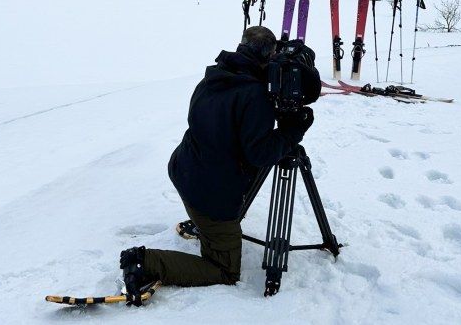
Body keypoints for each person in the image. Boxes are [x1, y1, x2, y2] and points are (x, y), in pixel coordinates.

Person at [119, 26, 320, 305]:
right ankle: (144, 261)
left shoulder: (215, 76)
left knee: (219, 203)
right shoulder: (254, 94)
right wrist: (290, 132)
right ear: (268, 56)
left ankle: (207, 227)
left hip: (185, 172)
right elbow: (260, 154)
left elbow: (229, 122)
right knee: (224, 270)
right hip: (210, 196)